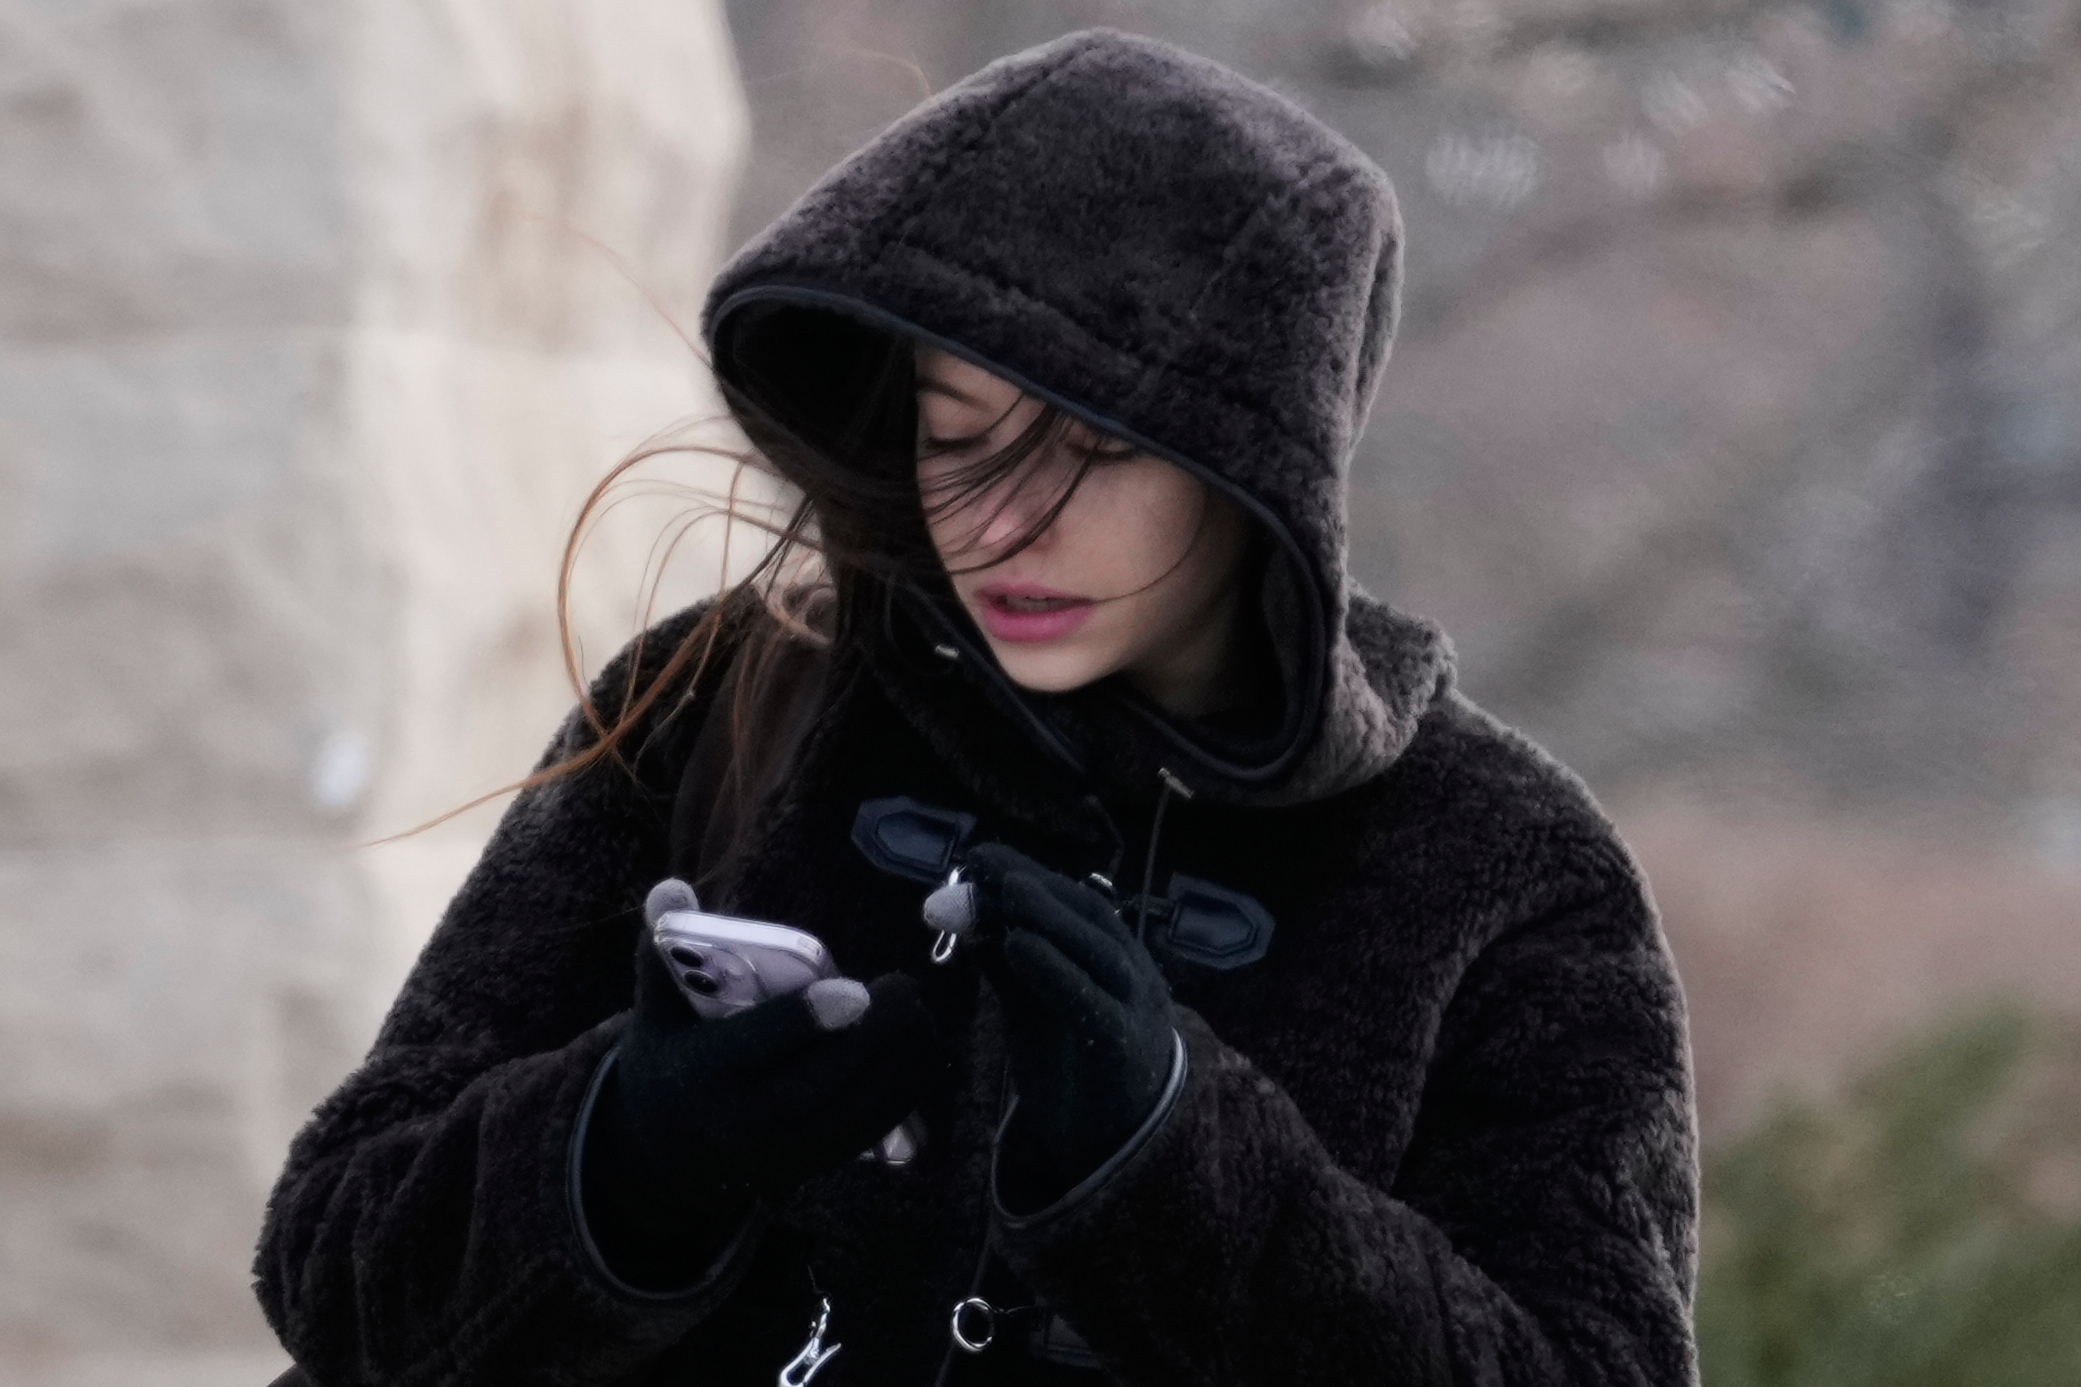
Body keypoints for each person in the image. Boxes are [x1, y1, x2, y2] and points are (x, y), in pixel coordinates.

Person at [255, 28, 1699, 1387]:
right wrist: (622, 1155)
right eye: (957, 439)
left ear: (1260, 465)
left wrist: (1182, 1166)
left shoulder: (1501, 874)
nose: (1000, 527)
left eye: (1088, 452)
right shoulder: (723, 701)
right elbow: (329, 1255)